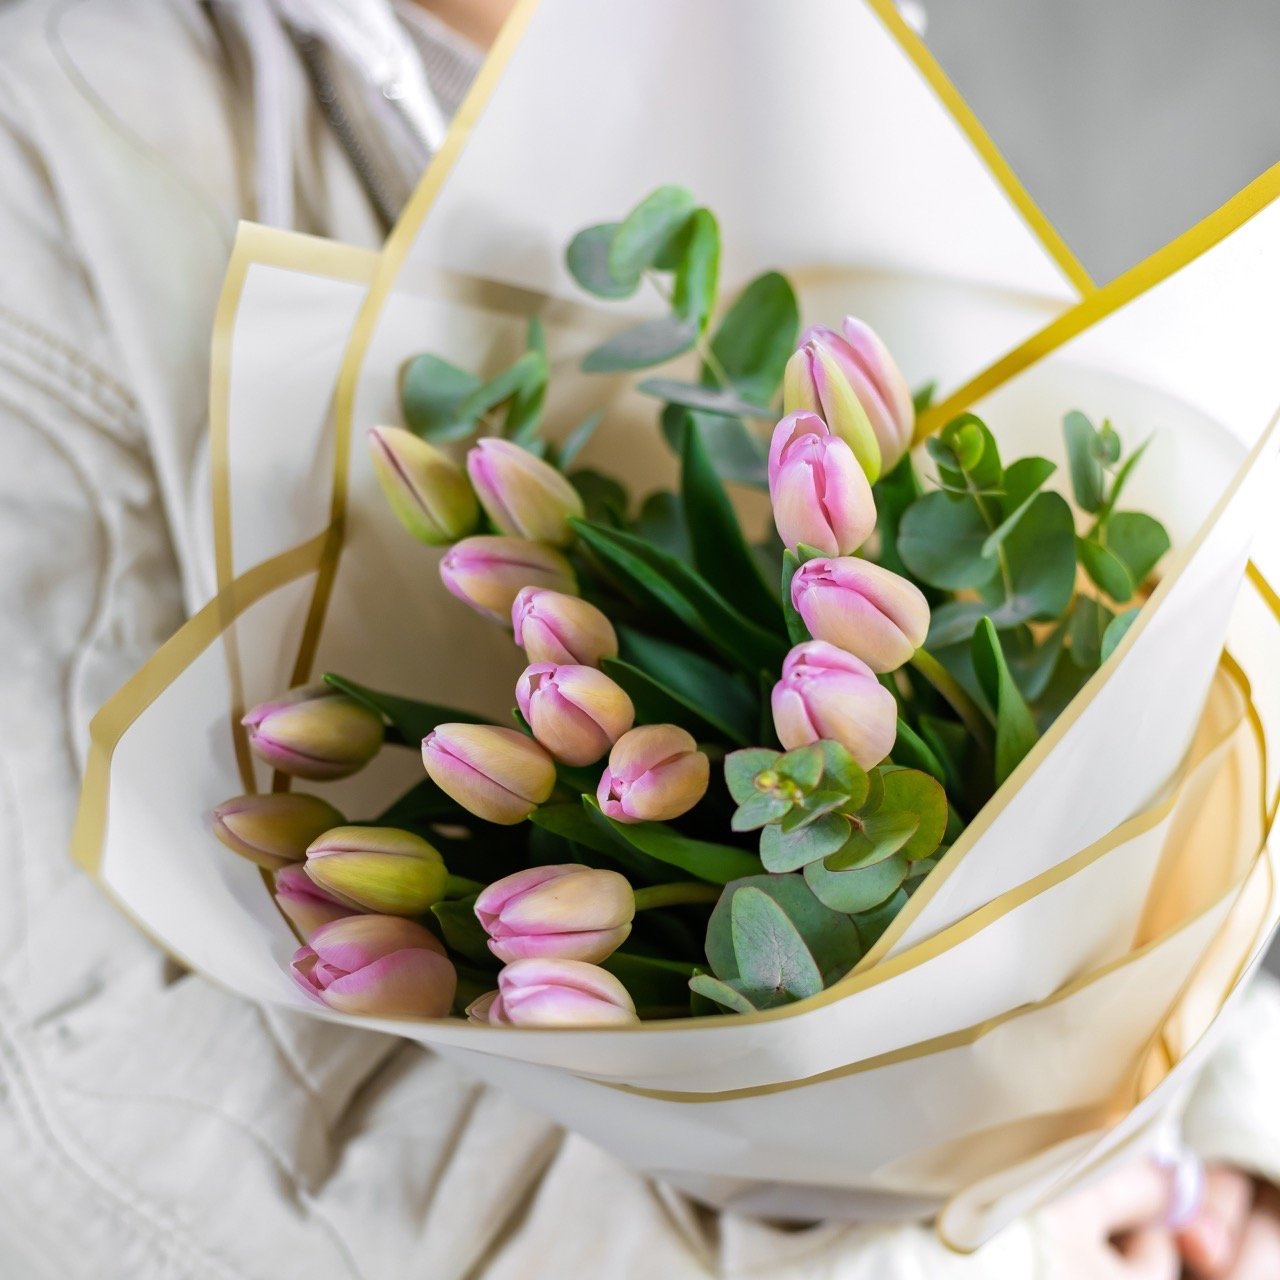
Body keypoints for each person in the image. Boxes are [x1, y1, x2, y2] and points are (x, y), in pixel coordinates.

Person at [0, 1, 1277, 1275]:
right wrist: (992, 1247)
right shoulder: (57, 130)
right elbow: (100, 1112)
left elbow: (1097, 678)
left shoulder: (799, 34)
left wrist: (1193, 1136)